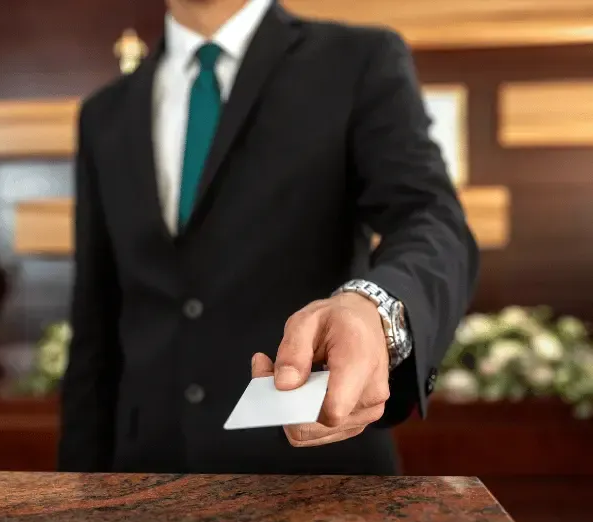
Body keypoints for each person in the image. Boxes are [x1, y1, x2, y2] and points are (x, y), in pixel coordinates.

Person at [58, 0, 479, 475]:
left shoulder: (357, 61)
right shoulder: (104, 114)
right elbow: (94, 324)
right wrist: (79, 494)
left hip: (316, 476)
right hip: (141, 480)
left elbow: (431, 219)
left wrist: (374, 308)